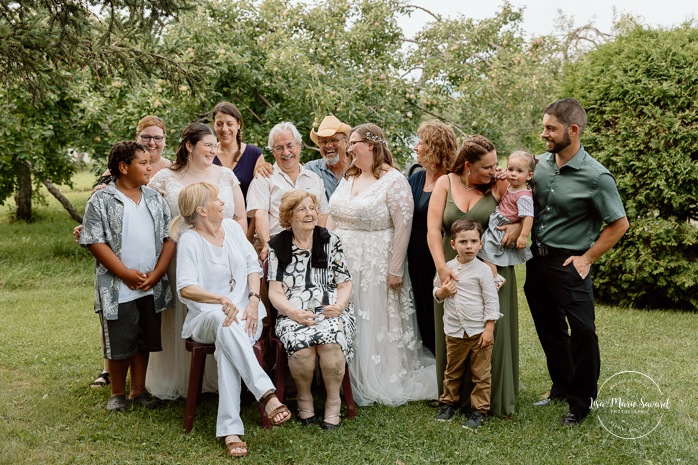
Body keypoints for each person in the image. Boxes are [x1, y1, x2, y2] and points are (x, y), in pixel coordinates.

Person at [524, 98, 628, 426]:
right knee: (550, 329)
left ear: (573, 130)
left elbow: (619, 224)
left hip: (569, 265)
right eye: (544, 127)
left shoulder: (597, 177)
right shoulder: (536, 166)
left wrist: (588, 257)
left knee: (583, 331)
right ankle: (562, 387)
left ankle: (581, 404)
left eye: (551, 128)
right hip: (535, 263)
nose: (544, 134)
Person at [171, 182, 291, 457]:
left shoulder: (234, 229)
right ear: (202, 210)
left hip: (247, 312)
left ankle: (231, 430)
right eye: (215, 199)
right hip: (206, 317)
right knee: (223, 321)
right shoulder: (190, 240)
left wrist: (251, 299)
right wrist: (220, 300)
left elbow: (252, 265)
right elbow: (186, 288)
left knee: (229, 339)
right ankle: (267, 396)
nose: (222, 202)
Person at [329, 122, 437, 406]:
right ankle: (337, 375)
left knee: (372, 316)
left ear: (371, 146)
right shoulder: (348, 176)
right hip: (342, 260)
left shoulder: (394, 180)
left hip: (376, 262)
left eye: (353, 143)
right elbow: (333, 215)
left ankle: (373, 376)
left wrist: (395, 269)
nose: (349, 148)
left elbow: (404, 225)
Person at [146, 122, 246, 400]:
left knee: (221, 311)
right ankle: (181, 377)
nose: (214, 150)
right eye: (208, 145)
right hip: (181, 254)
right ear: (189, 146)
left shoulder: (225, 174)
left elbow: (239, 215)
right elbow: (145, 207)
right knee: (182, 312)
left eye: (216, 146)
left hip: (223, 255)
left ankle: (220, 378)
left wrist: (241, 251)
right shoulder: (166, 177)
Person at [427, 134, 519, 417]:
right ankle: (451, 399)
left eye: (495, 165)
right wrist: (442, 267)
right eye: (487, 167)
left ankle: (488, 400)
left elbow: (524, 205)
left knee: (489, 332)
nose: (493, 171)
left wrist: (517, 226)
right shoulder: (445, 182)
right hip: (450, 265)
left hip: (490, 267)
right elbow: (433, 230)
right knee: (453, 330)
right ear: (468, 166)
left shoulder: (499, 184)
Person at [79, 141, 175, 410]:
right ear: (123, 167)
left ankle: (138, 390)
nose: (149, 167)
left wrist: (156, 274)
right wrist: (123, 273)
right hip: (117, 285)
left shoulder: (155, 199)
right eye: (143, 163)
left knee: (143, 337)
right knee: (120, 339)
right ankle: (117, 393)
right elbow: (94, 241)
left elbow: (169, 239)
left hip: (149, 283)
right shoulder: (102, 200)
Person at [267, 190, 356, 430]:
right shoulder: (278, 244)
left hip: (330, 308)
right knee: (302, 350)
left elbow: (345, 283)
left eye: (312, 208)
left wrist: (339, 306)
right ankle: (305, 399)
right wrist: (293, 313)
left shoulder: (330, 240)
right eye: (302, 209)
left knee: (330, 342)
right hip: (293, 312)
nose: (309, 214)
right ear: (289, 216)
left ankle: (333, 401)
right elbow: (274, 291)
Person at [433, 219, 501, 429]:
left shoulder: (483, 271)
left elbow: (491, 301)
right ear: (453, 244)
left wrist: (489, 330)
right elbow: (436, 291)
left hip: (479, 332)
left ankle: (479, 410)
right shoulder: (447, 268)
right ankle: (447, 404)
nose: (469, 246)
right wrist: (443, 292)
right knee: (452, 371)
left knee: (481, 374)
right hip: (454, 331)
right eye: (463, 242)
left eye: (473, 241)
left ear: (480, 244)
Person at [407, 121, 458, 356]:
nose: (416, 147)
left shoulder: (452, 180)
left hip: (439, 252)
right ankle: (430, 350)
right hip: (414, 253)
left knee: (442, 302)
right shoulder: (415, 179)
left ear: (435, 148)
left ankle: (447, 354)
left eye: (422, 143)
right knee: (421, 303)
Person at [246, 122, 328, 261]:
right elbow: (261, 214)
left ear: (299, 146)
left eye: (290, 146)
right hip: (277, 245)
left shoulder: (314, 178)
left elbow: (324, 213)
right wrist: (267, 245)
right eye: (279, 148)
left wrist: (318, 244)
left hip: (311, 246)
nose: (286, 152)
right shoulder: (264, 178)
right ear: (272, 151)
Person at [478, 150, 536, 276]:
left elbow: (528, 217)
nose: (513, 174)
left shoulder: (523, 196)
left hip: (503, 225)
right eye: (510, 169)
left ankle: (494, 279)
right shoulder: (512, 186)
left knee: (486, 250)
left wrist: (523, 236)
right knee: (486, 249)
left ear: (529, 175)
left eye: (519, 171)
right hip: (498, 221)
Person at [211, 101, 264, 198]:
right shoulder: (208, 154)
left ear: (238, 124)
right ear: (214, 125)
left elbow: (262, 193)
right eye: (219, 124)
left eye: (229, 124)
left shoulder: (254, 154)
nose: (224, 129)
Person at [306, 115, 352, 200]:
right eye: (323, 142)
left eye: (334, 140)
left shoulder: (359, 167)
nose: (329, 145)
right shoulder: (311, 169)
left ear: (346, 142)